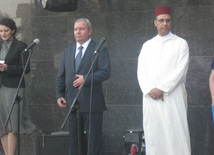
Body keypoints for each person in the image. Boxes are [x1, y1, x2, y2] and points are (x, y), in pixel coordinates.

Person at [137, 6, 191, 155]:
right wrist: (150, 90)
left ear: (171, 22)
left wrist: (161, 88)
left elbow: (180, 71)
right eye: (161, 20)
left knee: (176, 135)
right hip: (151, 99)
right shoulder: (147, 46)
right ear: (155, 22)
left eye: (167, 20)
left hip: (173, 98)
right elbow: (141, 72)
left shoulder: (181, 44)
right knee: (155, 136)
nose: (164, 23)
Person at [56, 18, 111, 155]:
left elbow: (105, 72)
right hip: (73, 103)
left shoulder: (99, 49)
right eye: (75, 29)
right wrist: (59, 94)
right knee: (75, 141)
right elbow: (60, 76)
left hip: (92, 102)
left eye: (81, 29)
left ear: (90, 31)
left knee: (93, 141)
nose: (78, 32)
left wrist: (85, 79)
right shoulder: (68, 51)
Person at [0, 18, 34, 155]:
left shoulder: (21, 46)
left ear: (13, 30)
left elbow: (26, 68)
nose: (3, 34)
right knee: (1, 125)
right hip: (0, 88)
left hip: (13, 88)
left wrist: (8, 68)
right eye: (1, 31)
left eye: (6, 31)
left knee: (12, 124)